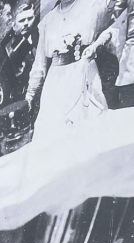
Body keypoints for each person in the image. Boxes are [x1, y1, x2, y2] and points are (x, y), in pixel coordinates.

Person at [25, 0, 115, 140]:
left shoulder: (92, 6)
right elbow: (39, 64)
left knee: (87, 132)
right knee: (54, 134)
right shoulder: (48, 20)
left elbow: (111, 28)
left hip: (83, 74)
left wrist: (96, 45)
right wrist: (30, 94)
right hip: (56, 83)